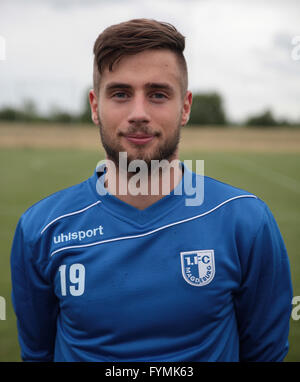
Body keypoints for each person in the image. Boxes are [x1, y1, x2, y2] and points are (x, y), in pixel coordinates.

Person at [10, 18, 293, 362]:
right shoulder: (41, 229)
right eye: (120, 94)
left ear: (185, 106)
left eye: (158, 94)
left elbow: (266, 353)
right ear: (95, 107)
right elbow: (37, 353)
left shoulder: (246, 222)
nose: (138, 113)